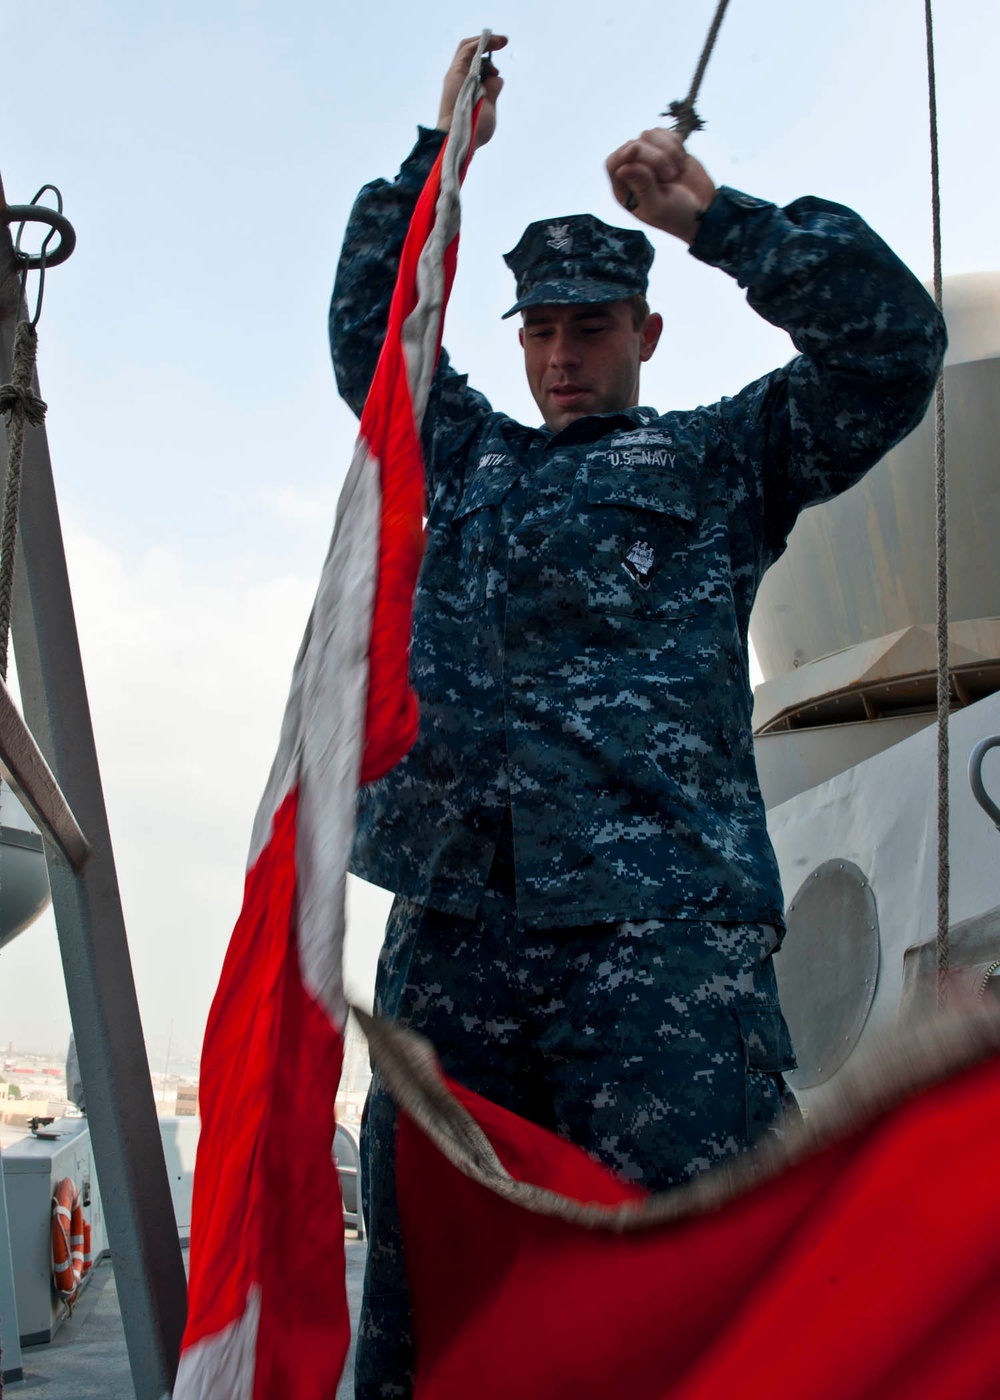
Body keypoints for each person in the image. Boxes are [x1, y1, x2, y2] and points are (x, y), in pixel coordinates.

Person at [330, 34, 946, 1399]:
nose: (559, 354)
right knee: (436, 1301)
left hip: (662, 947)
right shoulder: (467, 456)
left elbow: (894, 349)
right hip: (460, 942)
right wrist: (444, 156)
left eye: (588, 326)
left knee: (705, 1292)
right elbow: (374, 330)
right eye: (539, 330)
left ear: (644, 332)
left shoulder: (723, 459)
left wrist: (711, 217)